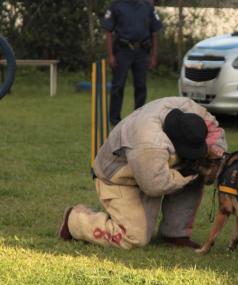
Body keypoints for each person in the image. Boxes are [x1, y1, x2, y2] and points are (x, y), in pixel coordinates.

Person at [58, 97, 227, 249]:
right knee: (134, 238)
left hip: (153, 168)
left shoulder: (191, 110)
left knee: (195, 169)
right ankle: (74, 220)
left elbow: (216, 132)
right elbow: (154, 185)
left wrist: (214, 155)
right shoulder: (149, 142)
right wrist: (190, 174)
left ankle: (175, 234)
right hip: (118, 178)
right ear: (174, 142)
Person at [102, 0, 162, 127]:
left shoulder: (147, 6)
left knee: (141, 86)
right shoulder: (117, 5)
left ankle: (138, 118)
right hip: (122, 50)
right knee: (118, 86)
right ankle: (115, 119)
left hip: (142, 51)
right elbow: (108, 31)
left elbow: (155, 32)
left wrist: (154, 55)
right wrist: (110, 55)